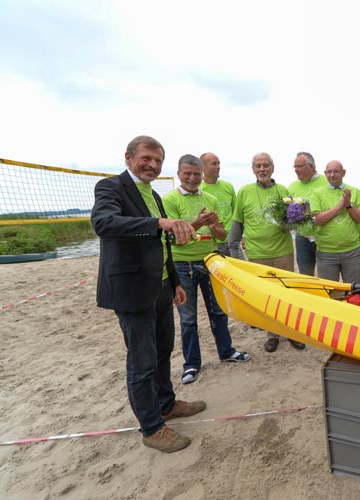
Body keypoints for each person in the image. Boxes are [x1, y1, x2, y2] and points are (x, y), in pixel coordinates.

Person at [91, 136, 206, 453]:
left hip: (162, 286)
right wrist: (159, 221)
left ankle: (166, 404)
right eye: (146, 158)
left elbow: (162, 240)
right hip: (131, 290)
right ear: (128, 157)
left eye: (158, 161)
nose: (153, 165)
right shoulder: (110, 187)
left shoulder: (153, 194)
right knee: (141, 363)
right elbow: (104, 223)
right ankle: (152, 428)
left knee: (163, 351)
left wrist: (176, 283)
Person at [163, 155, 250, 385]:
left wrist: (213, 226)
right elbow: (174, 239)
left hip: (210, 260)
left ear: (202, 175)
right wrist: (200, 223)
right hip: (182, 265)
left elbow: (221, 236)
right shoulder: (170, 200)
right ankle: (191, 364)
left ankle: (226, 351)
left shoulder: (210, 198)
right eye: (187, 173)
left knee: (218, 311)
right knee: (188, 318)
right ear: (179, 174)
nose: (192, 178)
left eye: (196, 174)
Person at [227, 152, 306, 353]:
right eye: (258, 166)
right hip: (257, 254)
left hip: (283, 252)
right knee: (267, 297)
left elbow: (292, 219)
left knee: (286, 294)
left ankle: (291, 333)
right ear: (253, 169)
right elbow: (237, 222)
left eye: (265, 165)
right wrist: (233, 247)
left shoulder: (283, 190)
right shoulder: (244, 191)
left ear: (272, 168)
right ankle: (272, 335)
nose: (262, 169)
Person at [309, 160, 360, 283]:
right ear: (325, 173)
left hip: (351, 252)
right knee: (330, 293)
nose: (332, 175)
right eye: (329, 172)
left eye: (336, 171)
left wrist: (348, 205)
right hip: (326, 253)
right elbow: (315, 220)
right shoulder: (317, 193)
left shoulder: (354, 191)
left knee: (353, 291)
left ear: (343, 173)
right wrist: (338, 208)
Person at [288, 152, 328, 275]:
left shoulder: (326, 181)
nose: (296, 170)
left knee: (326, 275)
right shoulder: (292, 186)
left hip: (324, 236)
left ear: (311, 167)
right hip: (302, 237)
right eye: (295, 167)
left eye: (299, 166)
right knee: (305, 275)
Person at [199, 152, 238, 255]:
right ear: (203, 167)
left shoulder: (228, 186)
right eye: (214, 164)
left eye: (218, 163)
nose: (218, 167)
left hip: (232, 241)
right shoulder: (199, 190)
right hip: (213, 243)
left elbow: (237, 213)